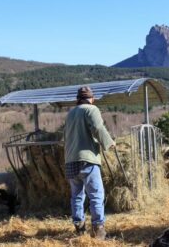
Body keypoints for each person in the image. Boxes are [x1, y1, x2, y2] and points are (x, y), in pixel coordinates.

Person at [64, 86, 115, 240]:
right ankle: (99, 231)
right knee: (96, 195)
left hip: (70, 160)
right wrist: (109, 142)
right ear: (91, 98)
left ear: (77, 99)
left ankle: (79, 229)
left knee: (77, 196)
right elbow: (98, 127)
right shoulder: (91, 109)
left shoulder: (70, 113)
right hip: (87, 159)